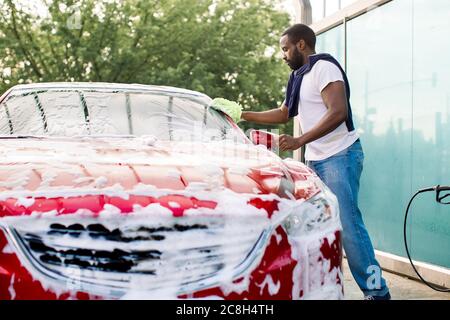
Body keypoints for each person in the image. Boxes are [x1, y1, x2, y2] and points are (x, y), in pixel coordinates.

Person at [241, 24, 391, 300]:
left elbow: (338, 112)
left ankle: (377, 294)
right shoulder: (298, 77)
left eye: (285, 48)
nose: (283, 55)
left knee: (349, 227)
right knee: (314, 226)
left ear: (301, 44)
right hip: (315, 161)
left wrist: (300, 140)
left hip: (340, 156)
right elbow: (285, 113)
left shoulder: (324, 67)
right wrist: (243, 113)